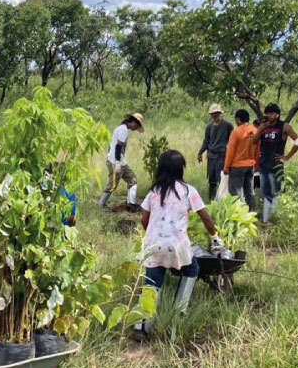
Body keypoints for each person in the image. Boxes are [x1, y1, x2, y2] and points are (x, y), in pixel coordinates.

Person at [134, 150, 223, 341]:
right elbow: (205, 217)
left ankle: (142, 326)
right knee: (192, 269)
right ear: (180, 169)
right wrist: (214, 236)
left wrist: (153, 234)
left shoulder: (153, 191)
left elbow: (144, 218)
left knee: (152, 282)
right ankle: (179, 311)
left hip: (153, 244)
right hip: (177, 245)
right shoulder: (188, 190)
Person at [250, 103, 298, 222]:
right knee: (265, 192)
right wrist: (261, 128)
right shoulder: (264, 126)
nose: (269, 115)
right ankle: (265, 219)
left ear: (277, 114)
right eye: (267, 113)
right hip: (263, 165)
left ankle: (274, 219)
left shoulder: (284, 126)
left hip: (276, 165)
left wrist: (287, 156)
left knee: (276, 192)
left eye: (272, 113)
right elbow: (253, 141)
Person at [97, 113, 145, 211]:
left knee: (132, 179)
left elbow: (112, 146)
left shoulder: (121, 128)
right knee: (112, 185)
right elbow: (118, 147)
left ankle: (131, 203)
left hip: (120, 160)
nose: (136, 128)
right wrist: (117, 162)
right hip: (116, 161)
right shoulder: (123, 130)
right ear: (133, 122)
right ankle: (100, 204)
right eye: (137, 125)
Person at [223, 109, 258, 211]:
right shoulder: (255, 130)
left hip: (237, 166)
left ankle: (237, 214)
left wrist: (226, 167)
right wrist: (253, 161)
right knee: (249, 191)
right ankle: (251, 213)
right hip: (250, 165)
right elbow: (257, 149)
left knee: (235, 193)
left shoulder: (236, 132)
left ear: (238, 119)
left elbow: (230, 151)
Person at [197, 103, 233, 200]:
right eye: (213, 113)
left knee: (222, 180)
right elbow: (206, 141)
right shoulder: (209, 127)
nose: (215, 115)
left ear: (220, 113)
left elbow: (232, 141)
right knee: (212, 181)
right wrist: (200, 153)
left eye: (216, 113)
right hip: (211, 157)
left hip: (222, 156)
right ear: (210, 114)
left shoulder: (227, 126)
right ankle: (211, 201)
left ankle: (223, 201)